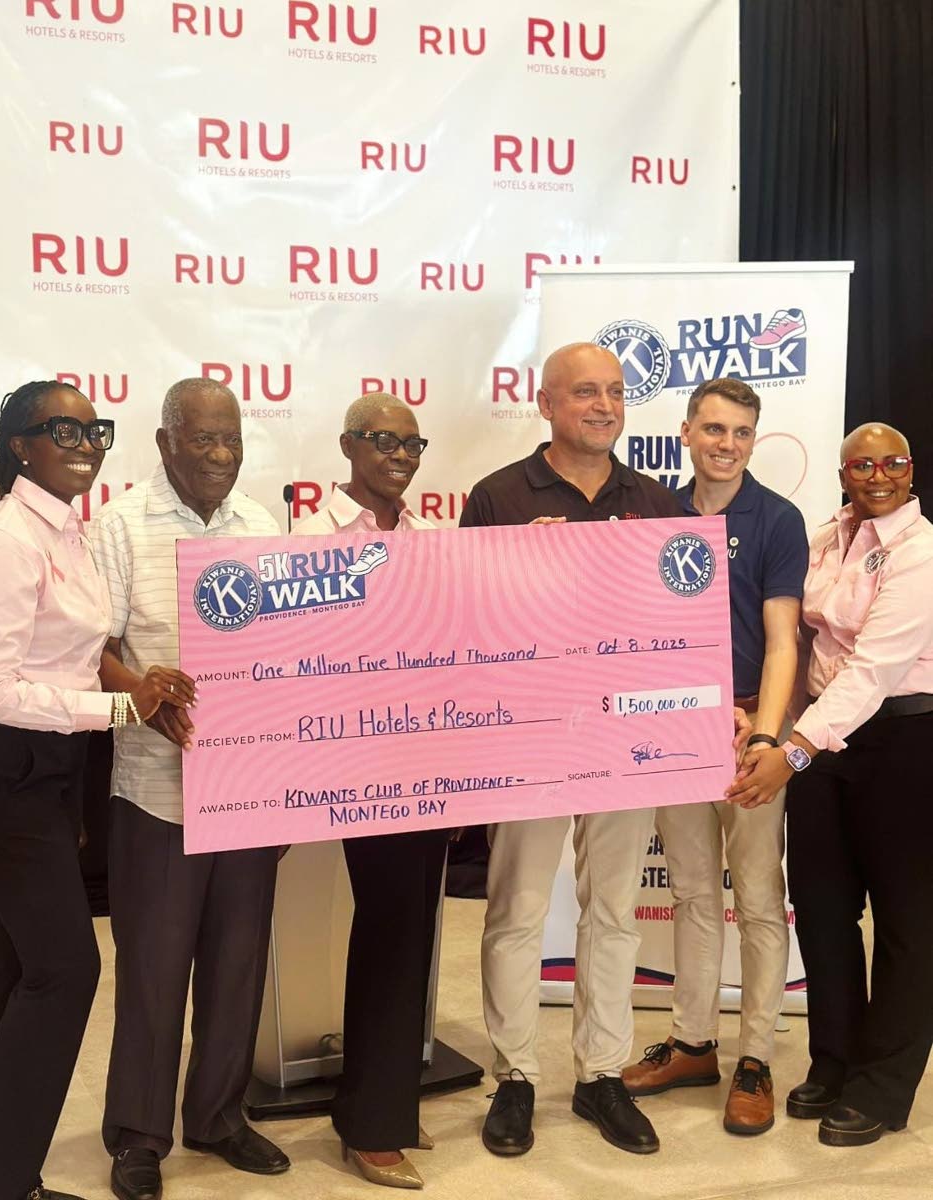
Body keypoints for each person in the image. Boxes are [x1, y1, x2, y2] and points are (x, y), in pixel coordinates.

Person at [0, 381, 186, 1200]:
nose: (85, 441)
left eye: (95, 428)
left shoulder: (68, 529)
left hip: (52, 763)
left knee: (20, 964)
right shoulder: (4, 539)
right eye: (63, 428)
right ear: (19, 444)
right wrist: (121, 706)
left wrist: (139, 685)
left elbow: (73, 655)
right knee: (66, 969)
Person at [460, 342, 683, 1158]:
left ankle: (600, 1075)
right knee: (517, 908)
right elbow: (466, 625)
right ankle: (514, 1077)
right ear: (545, 402)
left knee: (614, 912)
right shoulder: (498, 497)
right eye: (585, 391)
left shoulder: (657, 501)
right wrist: (526, 570)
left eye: (616, 392)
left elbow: (678, 631)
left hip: (624, 733)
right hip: (531, 730)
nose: (604, 404)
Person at [90, 379, 289, 1200]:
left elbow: (286, 648)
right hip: (157, 793)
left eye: (231, 441)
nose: (220, 456)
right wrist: (143, 693)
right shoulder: (121, 524)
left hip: (247, 787)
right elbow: (90, 649)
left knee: (239, 963)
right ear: (166, 441)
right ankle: (139, 1136)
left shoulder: (261, 525)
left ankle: (217, 1116)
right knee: (154, 970)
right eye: (203, 440)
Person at [726, 423, 933, 1146]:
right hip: (816, 740)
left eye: (893, 463)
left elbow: (873, 671)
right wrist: (765, 725)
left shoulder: (922, 551)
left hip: (903, 741)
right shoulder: (823, 536)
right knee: (821, 909)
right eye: (862, 464)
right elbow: (802, 642)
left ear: (912, 470)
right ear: (844, 473)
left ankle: (882, 1087)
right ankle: (834, 1061)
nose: (879, 475)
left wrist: (795, 750)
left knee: (908, 924)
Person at [623, 378, 808, 1135]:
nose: (725, 444)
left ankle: (755, 1056)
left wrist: (765, 736)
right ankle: (694, 1041)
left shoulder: (777, 518)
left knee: (759, 900)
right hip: (677, 729)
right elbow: (637, 630)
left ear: (752, 442)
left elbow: (783, 640)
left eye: (739, 433)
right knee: (695, 895)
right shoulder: (655, 515)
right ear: (687, 433)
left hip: (750, 739)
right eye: (712, 430)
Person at [294, 392, 444, 1191]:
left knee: (415, 933)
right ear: (349, 444)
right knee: (389, 931)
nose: (400, 454)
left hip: (430, 765)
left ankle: (382, 1097)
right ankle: (370, 1124)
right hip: (362, 769)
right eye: (384, 440)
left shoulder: (430, 540)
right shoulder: (306, 539)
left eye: (413, 443)